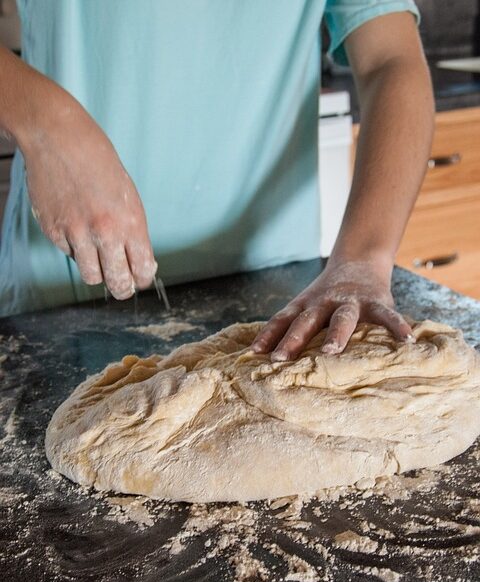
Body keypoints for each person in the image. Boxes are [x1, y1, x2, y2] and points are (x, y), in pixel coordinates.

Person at [0, 0, 434, 361]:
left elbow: (389, 59)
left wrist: (362, 258)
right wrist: (46, 123)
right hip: (64, 293)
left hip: (279, 298)